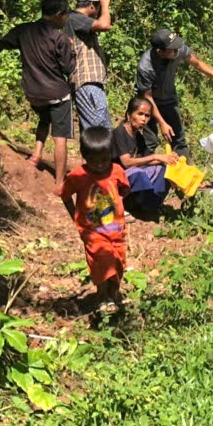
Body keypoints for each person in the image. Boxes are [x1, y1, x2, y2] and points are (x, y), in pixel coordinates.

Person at [0, 0, 75, 191]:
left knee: (43, 117)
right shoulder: (60, 38)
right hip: (57, 93)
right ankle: (60, 182)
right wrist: (71, 50)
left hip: (33, 92)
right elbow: (68, 68)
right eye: (66, 14)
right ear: (58, 15)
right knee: (60, 137)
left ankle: (36, 156)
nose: (67, 18)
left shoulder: (24, 31)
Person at [59, 126, 130, 315]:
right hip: (92, 231)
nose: (99, 165)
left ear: (111, 155)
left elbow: (124, 188)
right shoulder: (78, 176)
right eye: (94, 161)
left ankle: (113, 293)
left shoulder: (116, 171)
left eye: (104, 160)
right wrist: (75, 215)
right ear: (84, 156)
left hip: (116, 230)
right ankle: (103, 297)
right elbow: (65, 195)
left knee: (118, 262)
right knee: (102, 260)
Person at [135, 27, 213, 158]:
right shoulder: (146, 66)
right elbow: (148, 97)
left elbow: (197, 63)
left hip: (169, 99)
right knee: (150, 142)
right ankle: (145, 172)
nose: (177, 50)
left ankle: (185, 173)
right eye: (172, 49)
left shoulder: (177, 50)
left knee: (179, 140)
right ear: (160, 51)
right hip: (148, 104)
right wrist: (163, 123)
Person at [111, 96, 177, 220]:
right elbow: (126, 162)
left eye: (147, 116)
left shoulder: (139, 137)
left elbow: (148, 160)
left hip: (131, 177)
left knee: (162, 170)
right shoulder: (119, 133)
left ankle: (150, 205)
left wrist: (168, 159)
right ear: (129, 115)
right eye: (140, 114)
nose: (144, 119)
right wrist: (156, 156)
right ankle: (129, 205)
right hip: (116, 179)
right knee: (138, 174)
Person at [66, 0, 113, 131]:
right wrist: (105, 3)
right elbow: (105, 25)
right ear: (92, 5)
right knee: (97, 131)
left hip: (91, 83)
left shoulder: (79, 20)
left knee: (100, 129)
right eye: (98, 5)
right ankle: (96, 155)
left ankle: (97, 154)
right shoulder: (74, 18)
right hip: (86, 82)